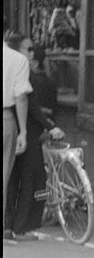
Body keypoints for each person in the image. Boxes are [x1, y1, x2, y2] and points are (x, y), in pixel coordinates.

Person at [6, 40, 64, 239]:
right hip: (27, 129)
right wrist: (49, 126)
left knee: (12, 178)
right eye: (28, 49)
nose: (32, 54)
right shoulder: (24, 70)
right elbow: (28, 103)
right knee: (32, 179)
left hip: (15, 125)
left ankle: (8, 225)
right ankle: (22, 227)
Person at [3, 19, 32, 237]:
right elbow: (21, 97)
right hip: (6, 120)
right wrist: (23, 130)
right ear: (6, 32)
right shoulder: (18, 60)